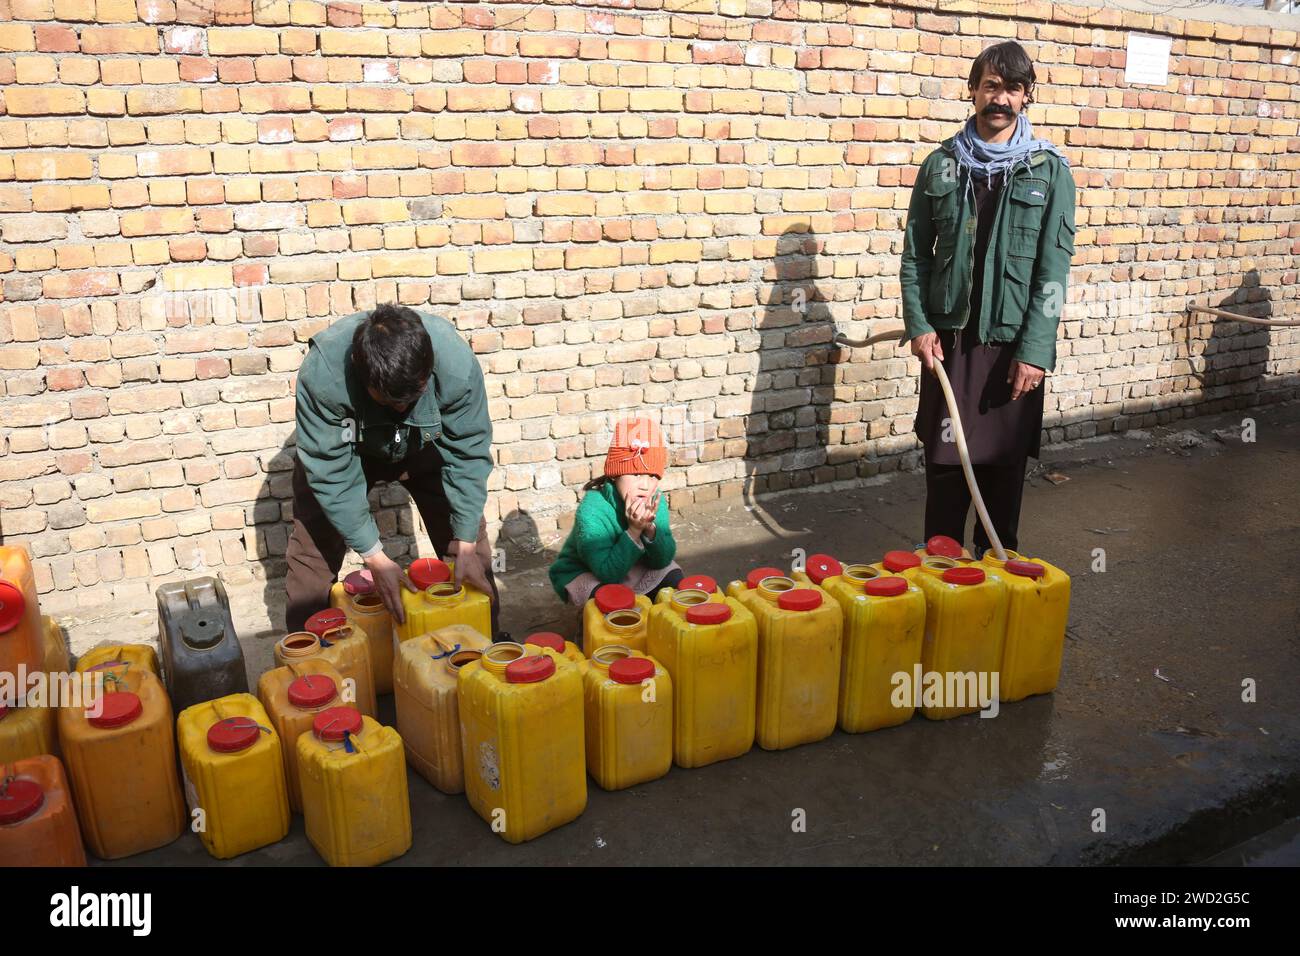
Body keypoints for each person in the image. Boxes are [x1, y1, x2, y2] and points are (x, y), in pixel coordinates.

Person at [899, 40, 1077, 557]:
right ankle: (941, 571)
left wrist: (1036, 352)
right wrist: (919, 324)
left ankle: (997, 574)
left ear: (1027, 96)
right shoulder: (940, 166)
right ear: (973, 90)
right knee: (945, 468)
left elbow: (1052, 273)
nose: (1000, 98)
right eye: (991, 86)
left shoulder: (1049, 171)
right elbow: (915, 255)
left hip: (1011, 349)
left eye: (1013, 88)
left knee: (1002, 476)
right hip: (950, 345)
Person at [285, 303, 502, 639]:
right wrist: (375, 557)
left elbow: (469, 453)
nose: (401, 407)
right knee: (312, 547)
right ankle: (307, 653)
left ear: (429, 369)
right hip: (349, 450)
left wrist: (466, 540)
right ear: (362, 374)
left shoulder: (456, 367)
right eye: (389, 400)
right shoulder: (324, 375)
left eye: (411, 397)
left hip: (426, 443)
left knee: (468, 543)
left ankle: (487, 642)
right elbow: (330, 473)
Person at [548, 417, 683, 608]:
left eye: (652, 476)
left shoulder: (654, 501)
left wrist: (650, 530)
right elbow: (607, 574)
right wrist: (634, 531)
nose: (645, 485)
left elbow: (662, 560)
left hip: (631, 564)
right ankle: (588, 618)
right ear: (615, 475)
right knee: (609, 603)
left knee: (675, 579)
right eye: (636, 474)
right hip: (591, 571)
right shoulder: (592, 510)